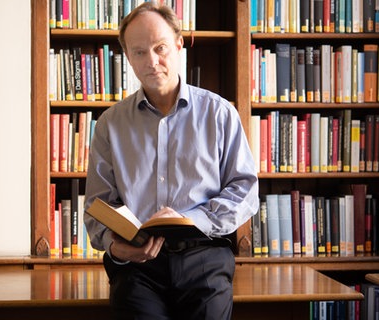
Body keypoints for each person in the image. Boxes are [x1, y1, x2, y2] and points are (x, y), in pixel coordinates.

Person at [84, 3, 259, 319]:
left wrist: (191, 219)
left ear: (179, 44)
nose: (151, 61)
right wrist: (114, 246)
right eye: (139, 53)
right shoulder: (110, 124)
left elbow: (244, 191)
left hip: (204, 256)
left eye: (160, 48)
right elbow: (98, 206)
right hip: (138, 265)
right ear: (128, 58)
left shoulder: (220, 114)